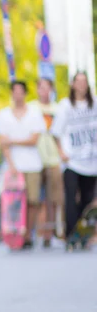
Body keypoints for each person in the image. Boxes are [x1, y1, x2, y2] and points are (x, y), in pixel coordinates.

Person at [0, 80, 46, 248]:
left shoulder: (34, 113)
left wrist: (13, 141)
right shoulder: (3, 115)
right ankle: (14, 235)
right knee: (13, 204)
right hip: (12, 166)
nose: (17, 95)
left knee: (33, 201)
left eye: (20, 91)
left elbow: (34, 140)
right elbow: (2, 142)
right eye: (14, 91)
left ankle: (27, 234)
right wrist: (11, 165)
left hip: (32, 164)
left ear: (24, 93)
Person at [51, 72, 97, 246]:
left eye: (84, 82)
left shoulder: (94, 104)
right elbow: (55, 133)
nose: (81, 85)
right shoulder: (65, 106)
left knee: (87, 199)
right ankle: (70, 234)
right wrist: (61, 152)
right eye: (78, 82)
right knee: (70, 197)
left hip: (91, 161)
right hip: (71, 161)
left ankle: (82, 231)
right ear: (72, 84)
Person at [29, 78, 64, 247]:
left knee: (54, 198)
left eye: (46, 88)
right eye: (40, 87)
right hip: (35, 159)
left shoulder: (59, 109)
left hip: (54, 158)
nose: (43, 91)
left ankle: (50, 233)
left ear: (51, 90)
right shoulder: (31, 109)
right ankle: (37, 232)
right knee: (35, 199)